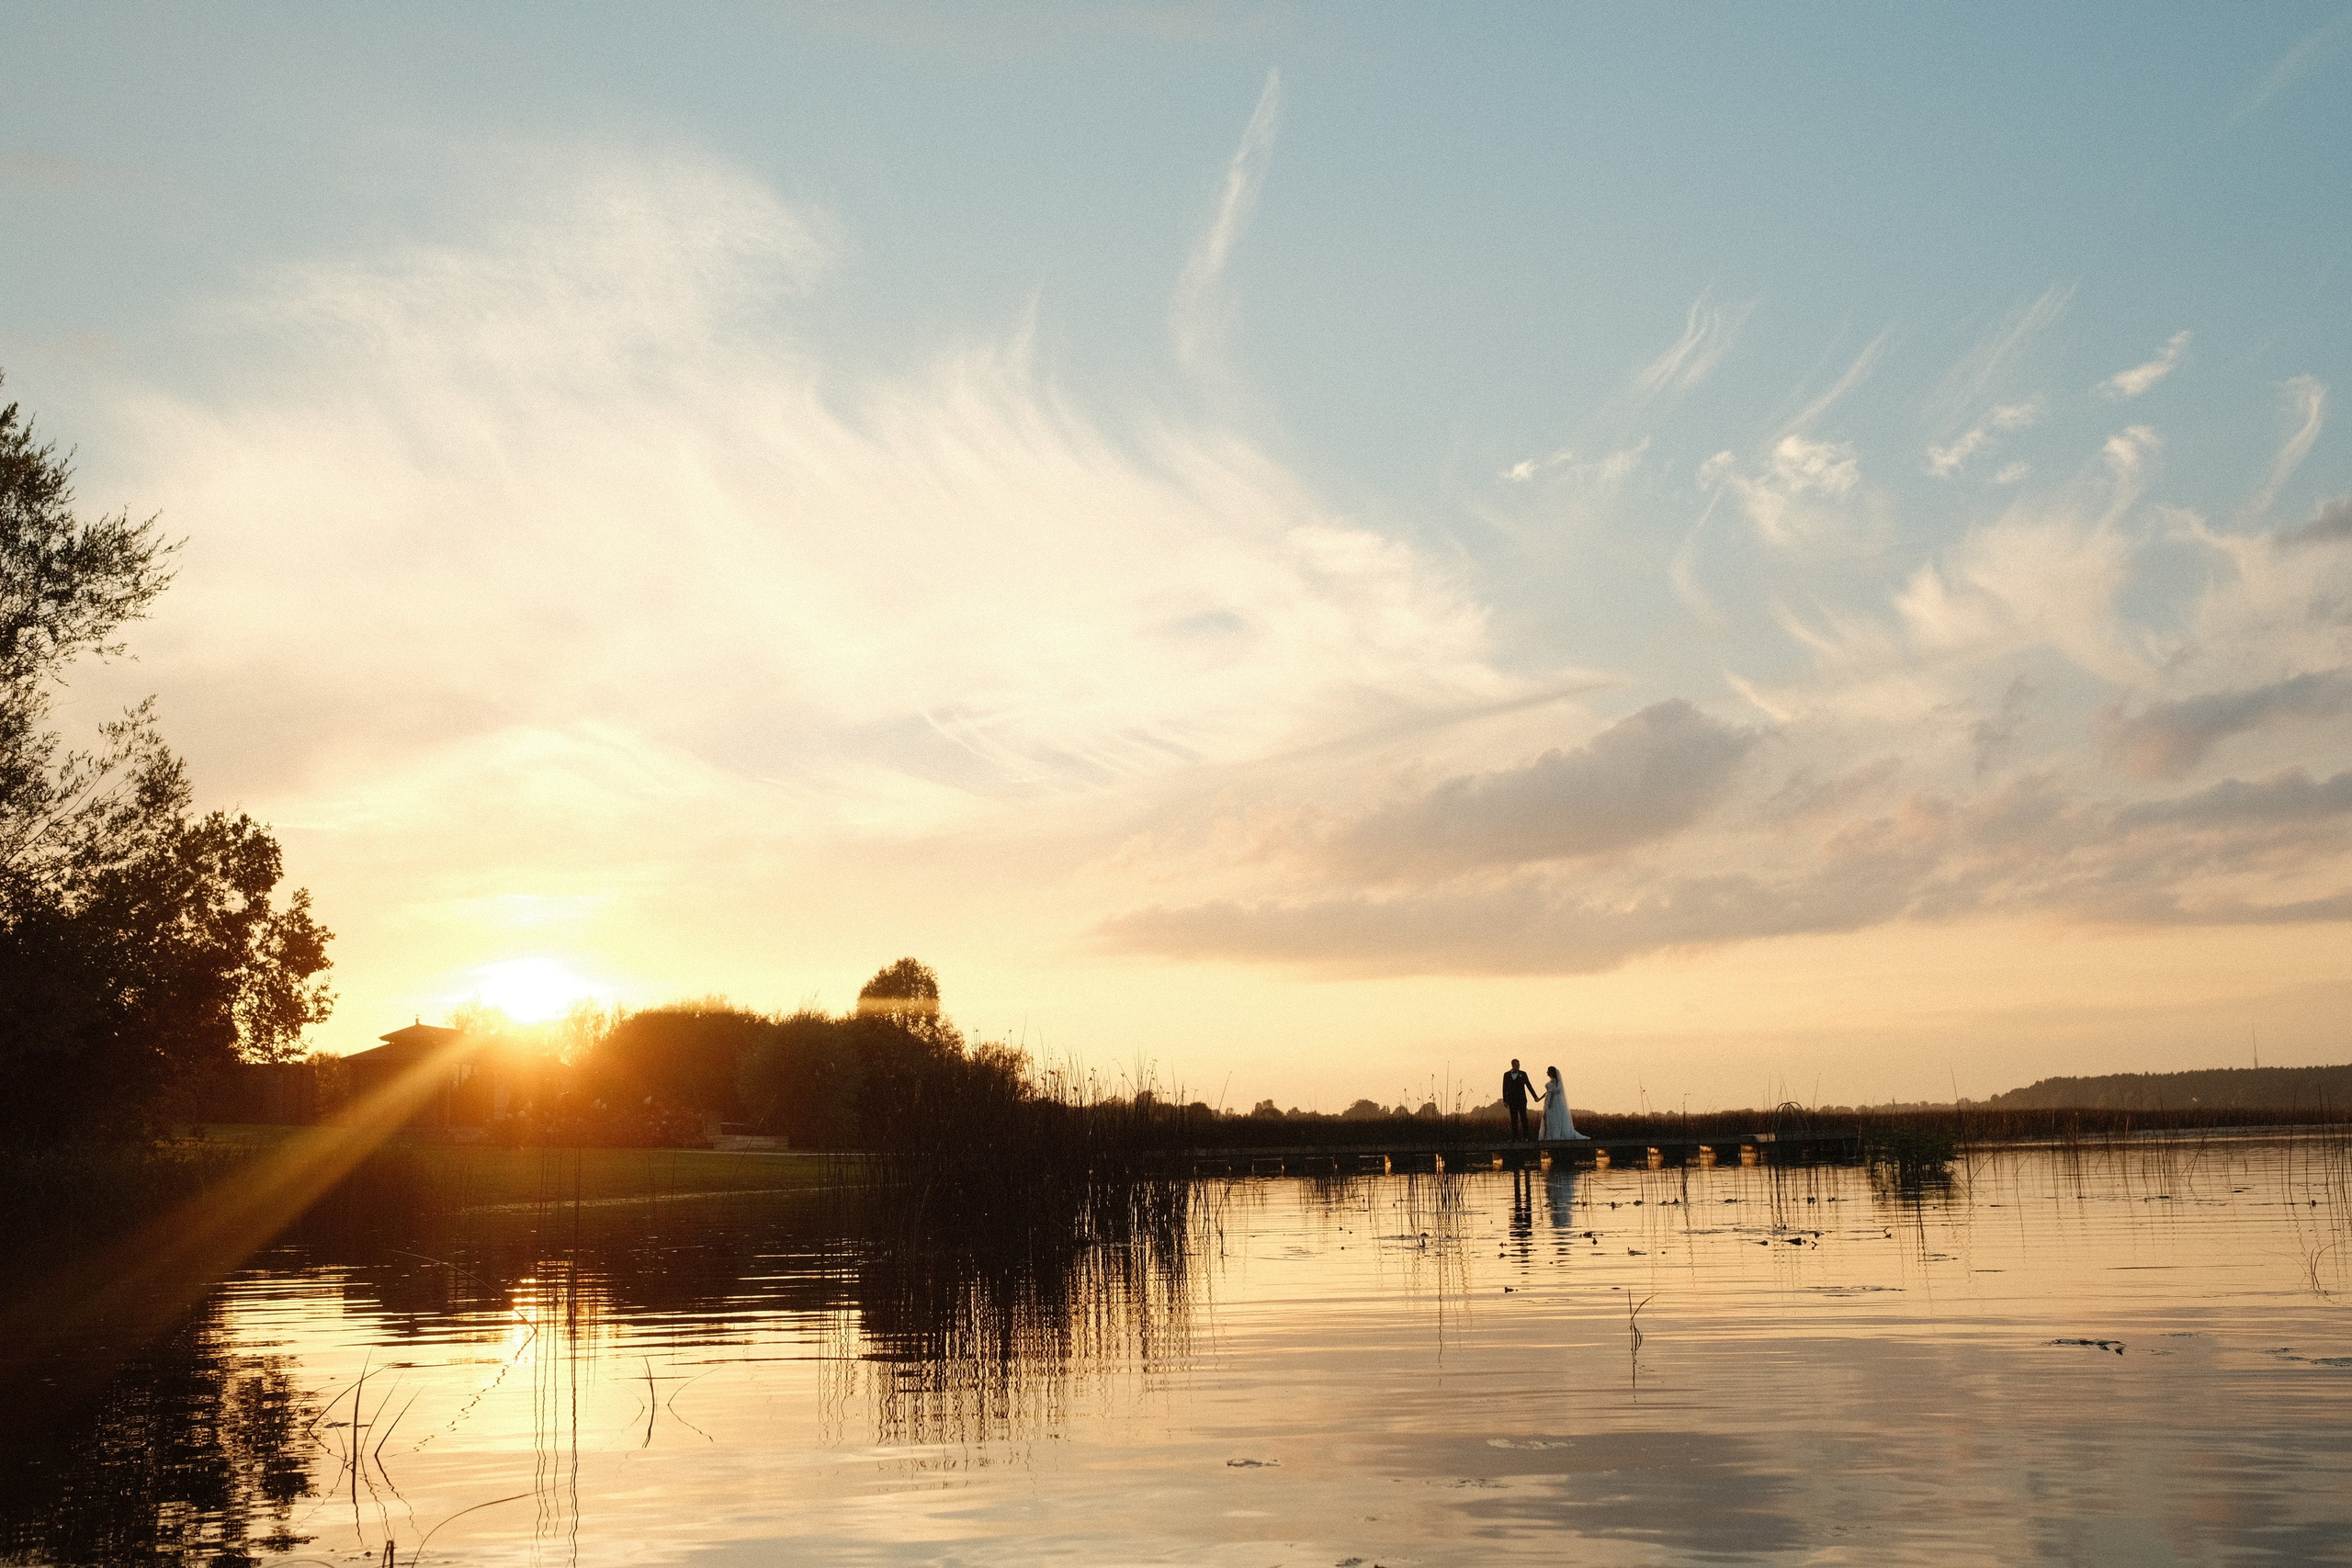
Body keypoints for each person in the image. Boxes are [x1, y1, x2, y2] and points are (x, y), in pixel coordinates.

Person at [1536, 1066, 1589, 1142]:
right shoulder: (1552, 1081)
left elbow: (1553, 1092)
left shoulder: (1554, 1081)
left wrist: (1550, 1103)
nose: (1547, 1072)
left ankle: (1552, 1134)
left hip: (1552, 1102)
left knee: (1552, 1117)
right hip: (1548, 1100)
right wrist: (1540, 1099)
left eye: (1548, 1071)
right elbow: (1548, 1092)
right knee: (1547, 1117)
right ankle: (1549, 1134)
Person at [1501, 1059, 1536, 1140]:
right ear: (1513, 1065)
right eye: (1516, 1065)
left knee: (1524, 1118)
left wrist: (1535, 1097)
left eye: (1519, 1065)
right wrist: (1505, 1100)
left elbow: (1529, 1086)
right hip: (1512, 1100)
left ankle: (1526, 1136)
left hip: (1522, 1099)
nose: (1518, 1067)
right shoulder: (1506, 1075)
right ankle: (1515, 1137)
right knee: (1514, 1119)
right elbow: (1504, 1088)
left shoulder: (1523, 1074)